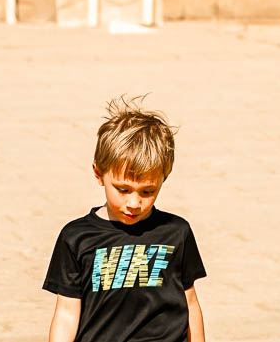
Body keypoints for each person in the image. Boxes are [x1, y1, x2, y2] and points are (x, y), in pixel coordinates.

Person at [43, 99, 207, 342]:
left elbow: (190, 301)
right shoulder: (76, 237)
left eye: (147, 192)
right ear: (99, 174)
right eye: (123, 189)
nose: (134, 203)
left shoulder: (176, 232)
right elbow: (66, 312)